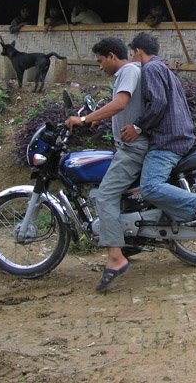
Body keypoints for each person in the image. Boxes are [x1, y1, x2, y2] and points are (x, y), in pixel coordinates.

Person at [120, 32, 196, 246]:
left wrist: (138, 127)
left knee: (149, 186)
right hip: (177, 136)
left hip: (168, 141)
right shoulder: (163, 68)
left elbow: (157, 103)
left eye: (132, 54)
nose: (131, 60)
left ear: (138, 51)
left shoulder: (151, 69)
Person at [64, 37, 148, 293]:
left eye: (100, 61)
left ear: (112, 56)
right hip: (128, 146)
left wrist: (84, 118)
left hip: (133, 149)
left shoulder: (128, 71)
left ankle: (115, 257)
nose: (100, 67)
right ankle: (126, 243)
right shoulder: (128, 73)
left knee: (105, 195)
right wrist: (97, 120)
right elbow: (122, 109)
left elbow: (120, 103)